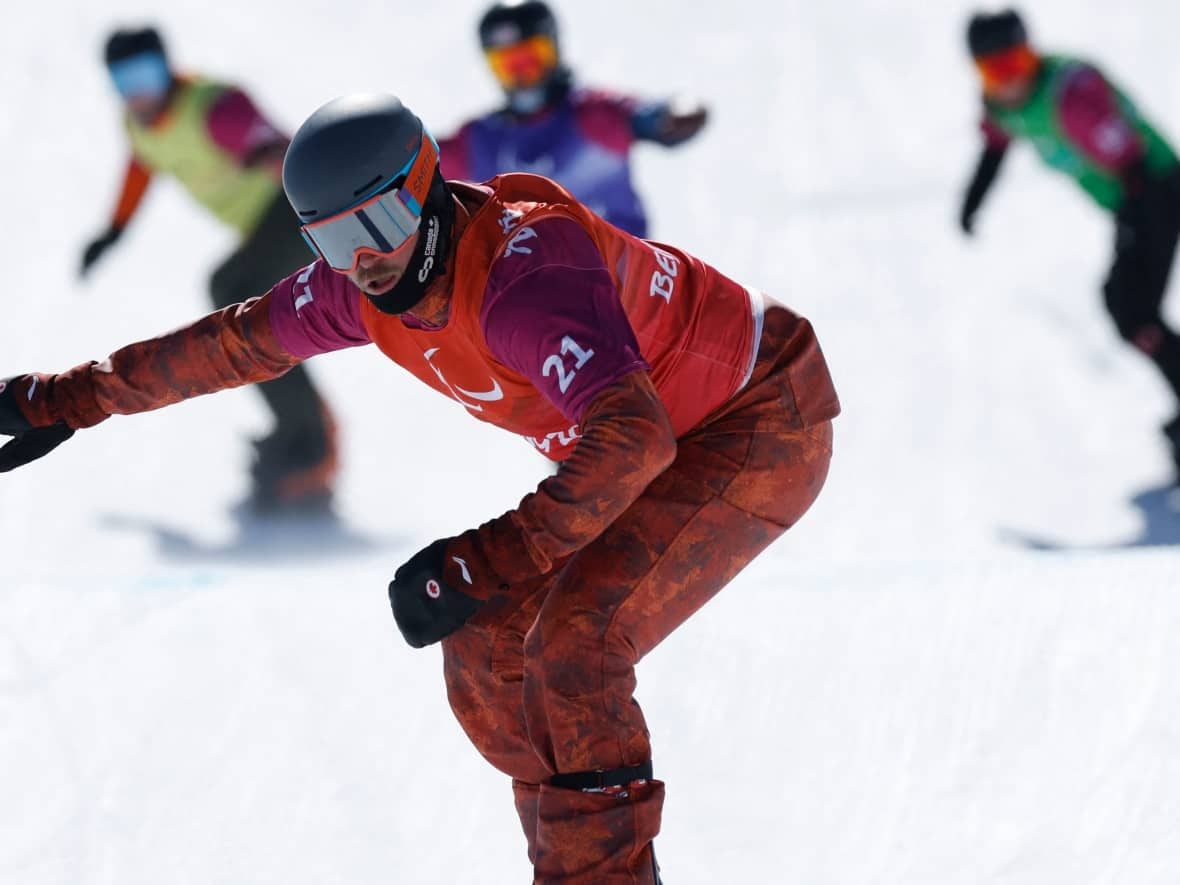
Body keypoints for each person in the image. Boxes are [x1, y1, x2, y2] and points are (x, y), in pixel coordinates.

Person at [1, 93, 839, 882]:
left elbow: (635, 439)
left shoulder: (523, 275)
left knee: (575, 641)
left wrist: (485, 558)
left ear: (427, 187)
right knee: (487, 645)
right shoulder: (363, 296)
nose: (365, 261)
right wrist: (70, 398)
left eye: (383, 223)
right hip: (653, 435)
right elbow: (232, 344)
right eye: (333, 243)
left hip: (758, 416)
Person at [79, 25, 339, 511]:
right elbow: (141, 166)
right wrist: (112, 232)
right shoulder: (138, 124)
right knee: (246, 306)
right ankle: (304, 435)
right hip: (265, 226)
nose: (138, 92)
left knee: (231, 287)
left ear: (167, 68)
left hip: (296, 210)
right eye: (123, 80)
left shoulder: (213, 106)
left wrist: (278, 163)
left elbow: (272, 145)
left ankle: (308, 439)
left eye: (147, 75)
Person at [958, 9, 1180, 477]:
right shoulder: (1002, 104)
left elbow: (1134, 162)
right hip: (1133, 202)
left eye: (1015, 64)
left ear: (1032, 56)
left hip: (1158, 190)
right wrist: (973, 201)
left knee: (1133, 310)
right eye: (993, 70)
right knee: (1128, 310)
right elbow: (996, 145)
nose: (1008, 80)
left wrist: (1133, 224)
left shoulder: (1070, 97)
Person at [437, 0, 708, 238]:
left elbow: (645, 114)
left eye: (530, 61)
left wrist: (671, 117)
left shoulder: (592, 117)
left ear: (553, 50)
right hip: (538, 287)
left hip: (621, 281)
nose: (522, 78)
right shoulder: (482, 143)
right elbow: (422, 159)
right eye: (508, 66)